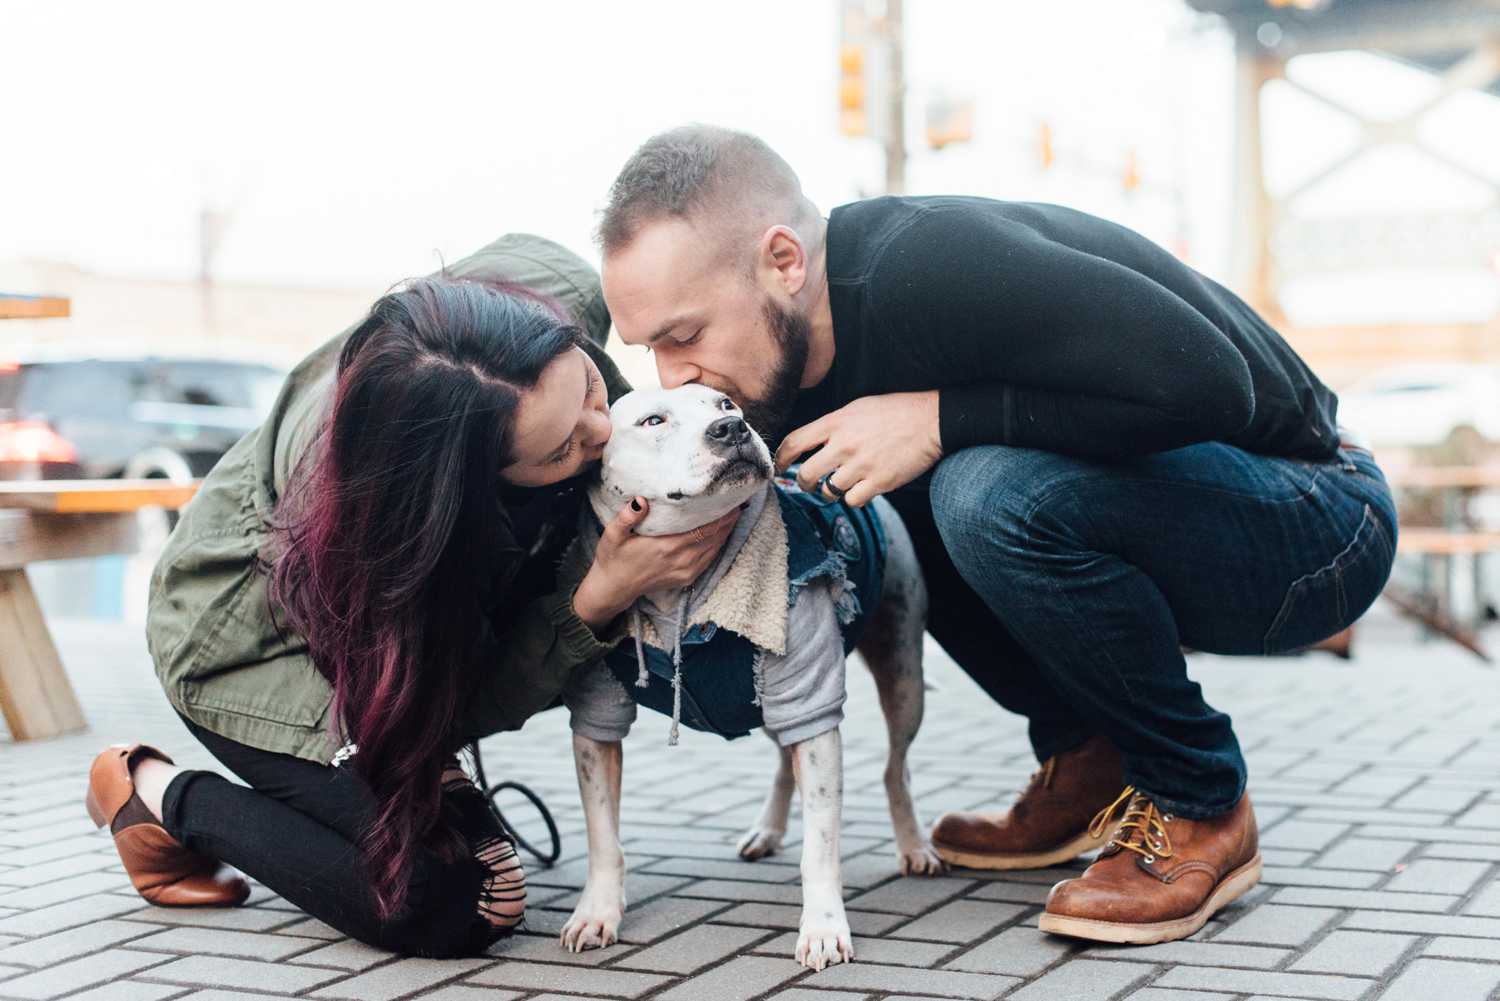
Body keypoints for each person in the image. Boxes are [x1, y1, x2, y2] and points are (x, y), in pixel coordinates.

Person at [595, 126, 1398, 944]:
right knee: (879, 488)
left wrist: (939, 417)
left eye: (684, 335)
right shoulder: (769, 377)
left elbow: (1215, 387)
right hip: (1208, 514)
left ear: (784, 262)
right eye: (650, 346)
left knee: (984, 493)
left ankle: (1201, 801)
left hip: (1320, 519)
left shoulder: (932, 263)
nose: (672, 373)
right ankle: (1089, 761)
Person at [83, 235, 740, 957]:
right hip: (248, 642)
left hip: (377, 616)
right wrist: (595, 599)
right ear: (463, 485)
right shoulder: (387, 539)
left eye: (587, 386)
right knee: (461, 899)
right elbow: (446, 706)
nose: (602, 426)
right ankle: (157, 794)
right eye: (559, 452)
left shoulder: (549, 291)